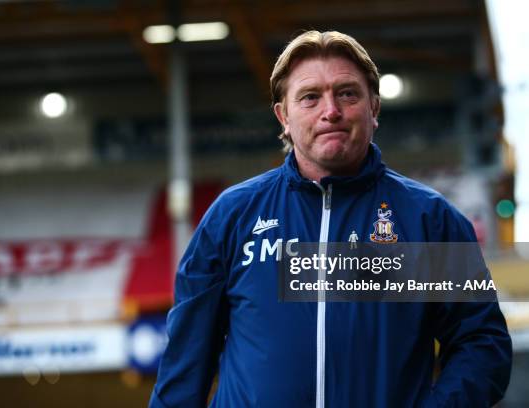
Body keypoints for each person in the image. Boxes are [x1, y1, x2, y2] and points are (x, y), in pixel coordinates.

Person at [150, 30, 512, 407]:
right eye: (310, 97)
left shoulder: (430, 221)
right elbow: (185, 364)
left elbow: (482, 346)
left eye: (347, 93)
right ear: (283, 116)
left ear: (373, 108)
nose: (331, 111)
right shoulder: (232, 215)